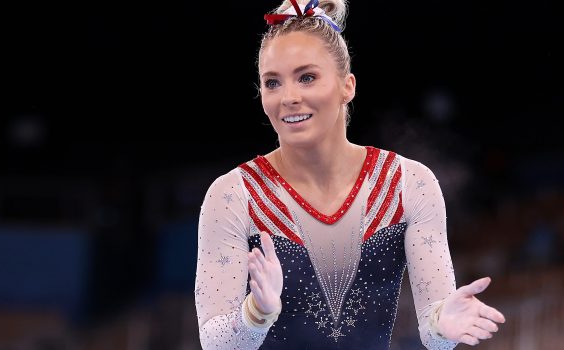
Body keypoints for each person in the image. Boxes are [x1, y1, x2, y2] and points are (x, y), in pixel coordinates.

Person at [194, 0, 506, 348]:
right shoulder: (233, 196)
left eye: (307, 77)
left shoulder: (408, 184)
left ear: (347, 86)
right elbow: (214, 342)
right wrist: (256, 313)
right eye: (272, 83)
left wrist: (443, 327)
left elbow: (433, 331)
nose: (289, 97)